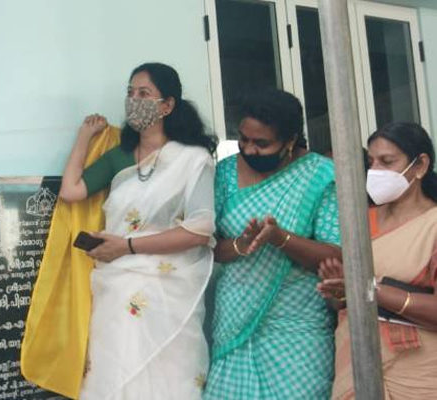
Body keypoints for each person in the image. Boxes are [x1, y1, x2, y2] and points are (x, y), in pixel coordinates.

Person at [58, 62, 218, 399]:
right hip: (116, 286)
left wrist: (128, 246)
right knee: (114, 369)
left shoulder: (192, 159)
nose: (134, 100)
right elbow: (70, 191)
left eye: (144, 93)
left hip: (168, 290)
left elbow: (200, 231)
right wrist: (84, 137)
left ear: (167, 105)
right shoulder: (119, 157)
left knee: (168, 375)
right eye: (130, 93)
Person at [204, 89, 342, 399]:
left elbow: (337, 254)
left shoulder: (320, 175)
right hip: (233, 320)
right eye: (243, 139)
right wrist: (240, 244)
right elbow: (207, 247)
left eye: (262, 143)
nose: (249, 149)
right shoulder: (225, 172)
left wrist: (281, 239)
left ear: (290, 140)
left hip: (297, 326)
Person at [318, 122, 437, 399]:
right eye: (371, 162)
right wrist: (337, 290)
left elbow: (367, 290)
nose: (376, 171)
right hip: (357, 362)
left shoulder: (432, 225)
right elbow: (343, 304)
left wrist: (371, 290)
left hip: (417, 373)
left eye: (387, 161)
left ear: (420, 165)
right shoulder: (359, 220)